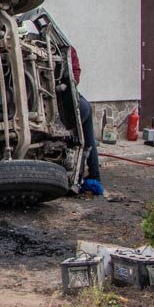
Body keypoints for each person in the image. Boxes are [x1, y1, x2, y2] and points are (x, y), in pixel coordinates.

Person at [69, 46, 103, 196]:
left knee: (83, 138)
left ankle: (89, 175)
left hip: (67, 101)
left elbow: (75, 76)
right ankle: (93, 174)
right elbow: (75, 76)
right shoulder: (65, 47)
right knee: (88, 139)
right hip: (69, 99)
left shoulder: (65, 48)